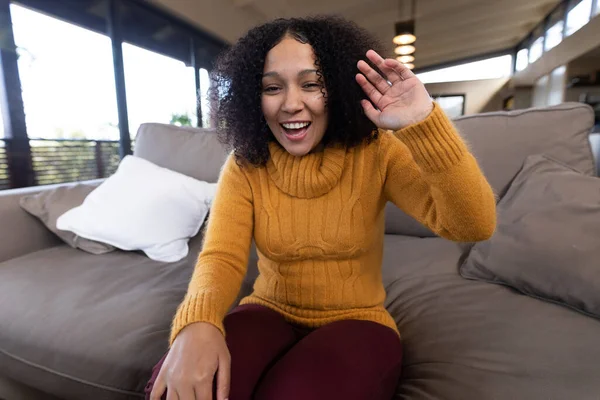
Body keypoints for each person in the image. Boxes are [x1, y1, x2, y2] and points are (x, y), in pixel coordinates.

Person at [146, 15, 496, 400]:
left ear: (340, 88)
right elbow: (221, 257)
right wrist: (198, 321)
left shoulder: (378, 152)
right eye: (272, 87)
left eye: (312, 84)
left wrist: (424, 123)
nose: (291, 104)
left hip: (359, 323)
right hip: (267, 312)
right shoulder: (246, 164)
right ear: (252, 97)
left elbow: (473, 225)